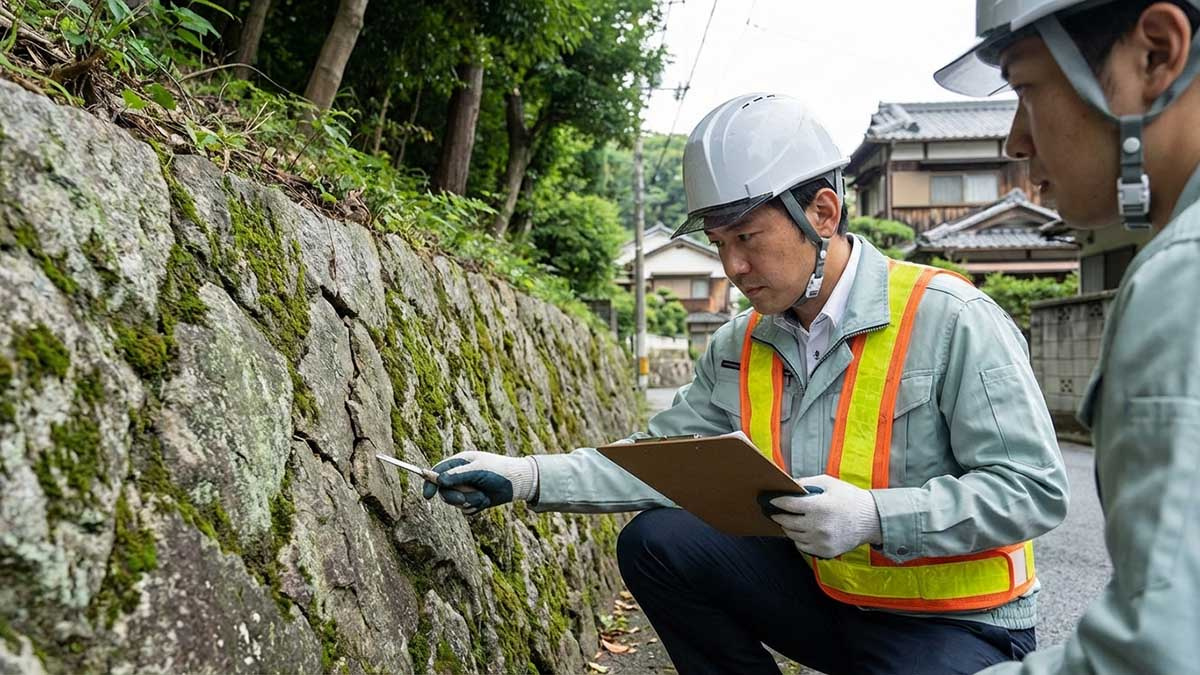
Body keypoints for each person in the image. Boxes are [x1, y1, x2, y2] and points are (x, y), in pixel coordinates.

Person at [423, 93, 1069, 675]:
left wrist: (875, 515)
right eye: (718, 242)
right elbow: (658, 463)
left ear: (822, 211)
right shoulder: (741, 341)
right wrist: (527, 475)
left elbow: (1033, 489)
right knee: (658, 541)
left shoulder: (951, 317)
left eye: (748, 237)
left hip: (954, 622)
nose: (733, 265)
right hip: (831, 602)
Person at [933, 1, 1200, 673]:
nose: (1015, 141)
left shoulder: (1183, 280)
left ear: (1156, 54)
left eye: (1025, 88)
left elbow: (1159, 652)